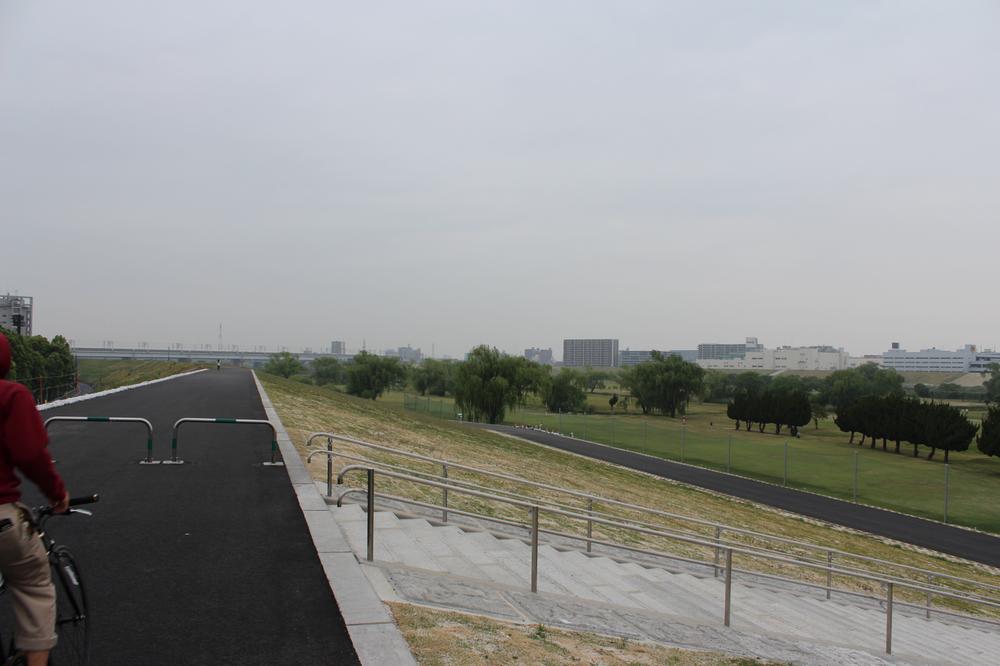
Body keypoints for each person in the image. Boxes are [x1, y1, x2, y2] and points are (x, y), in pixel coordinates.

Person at [0, 333, 69, 666]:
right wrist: (58, 494)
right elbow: (30, 454)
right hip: (2, 515)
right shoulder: (11, 395)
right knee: (34, 587)